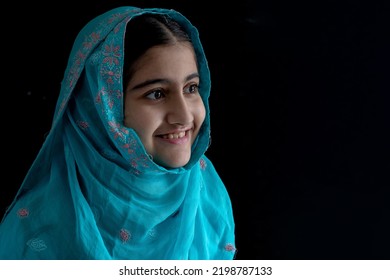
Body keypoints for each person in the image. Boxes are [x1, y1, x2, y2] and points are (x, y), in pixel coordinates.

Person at [0, 6, 236, 259]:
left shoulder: (206, 192)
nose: (184, 116)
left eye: (191, 88)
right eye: (156, 93)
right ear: (101, 108)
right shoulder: (36, 229)